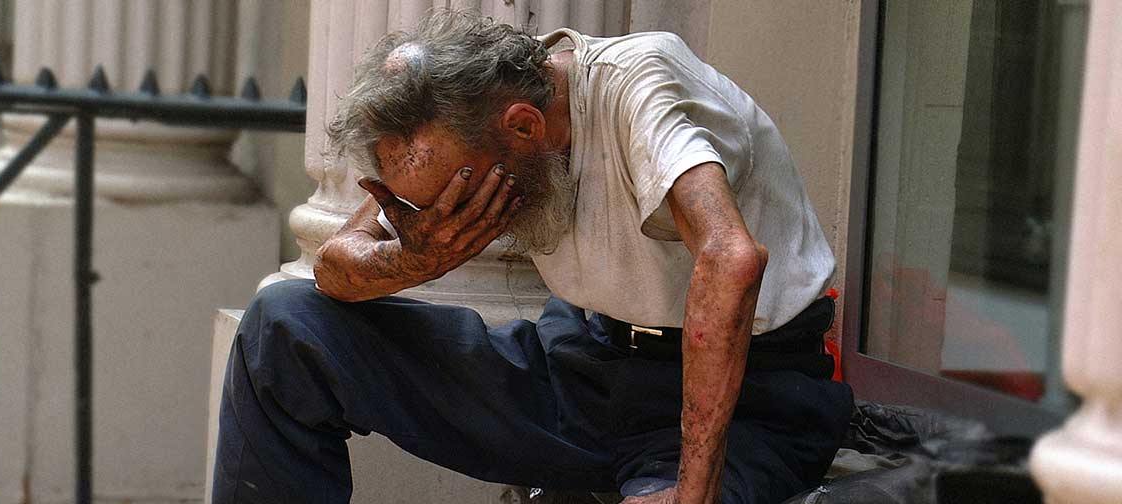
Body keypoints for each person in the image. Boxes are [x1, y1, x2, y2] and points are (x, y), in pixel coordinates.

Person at [213, 10, 852, 504]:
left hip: (745, 400)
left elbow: (731, 257)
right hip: (581, 367)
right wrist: (413, 259)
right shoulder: (459, 122)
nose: (440, 215)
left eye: (453, 196)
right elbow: (336, 264)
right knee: (285, 323)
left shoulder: (641, 82)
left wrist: (692, 491)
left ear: (523, 127)